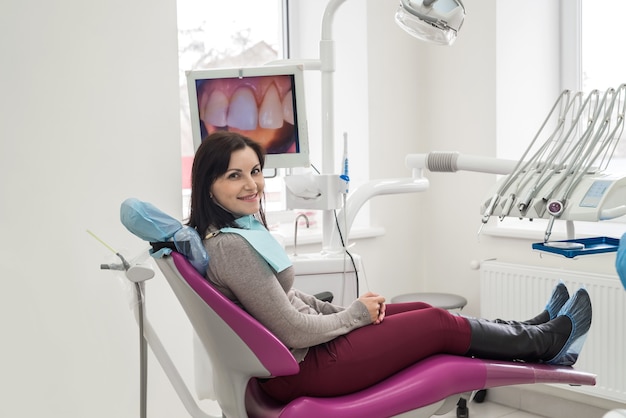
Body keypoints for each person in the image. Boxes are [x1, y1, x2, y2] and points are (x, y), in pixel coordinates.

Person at [187, 131, 593, 403]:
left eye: (255, 172)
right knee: (436, 323)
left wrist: (347, 313)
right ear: (209, 185)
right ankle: (543, 343)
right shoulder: (231, 247)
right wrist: (352, 317)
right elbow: (291, 329)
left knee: (419, 310)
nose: (252, 185)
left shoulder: (237, 232)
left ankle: (534, 330)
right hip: (308, 368)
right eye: (234, 176)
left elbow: (290, 299)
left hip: (308, 354)